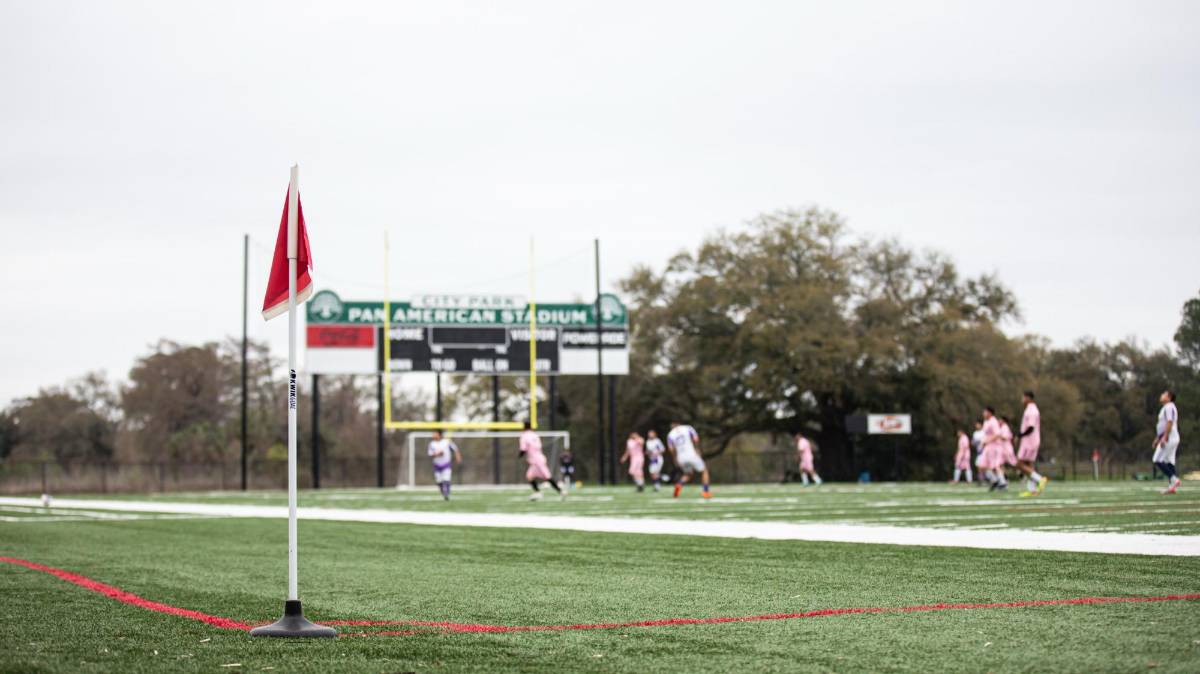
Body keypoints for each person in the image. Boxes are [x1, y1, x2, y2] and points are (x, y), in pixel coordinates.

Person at [519, 421, 564, 501]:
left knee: (547, 477)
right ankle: (538, 493)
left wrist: (520, 455)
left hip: (536, 460)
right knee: (529, 476)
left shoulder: (524, 436)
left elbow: (523, 449)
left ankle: (561, 491)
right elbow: (538, 446)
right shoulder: (534, 435)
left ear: (524, 427)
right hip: (539, 458)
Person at [1016, 391, 1049, 497]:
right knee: (1028, 465)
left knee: (1019, 464)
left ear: (1028, 398)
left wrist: (1019, 435)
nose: (1022, 400)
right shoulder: (1030, 409)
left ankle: (1040, 479)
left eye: (1023, 397)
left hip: (1029, 441)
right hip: (1032, 440)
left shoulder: (1031, 410)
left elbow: (1030, 427)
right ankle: (1032, 490)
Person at [667, 421, 711, 499]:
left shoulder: (670, 434)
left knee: (688, 474)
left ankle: (679, 484)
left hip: (681, 458)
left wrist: (675, 458)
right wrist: (697, 449)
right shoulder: (687, 428)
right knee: (704, 471)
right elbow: (696, 439)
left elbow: (671, 449)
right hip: (691, 454)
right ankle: (706, 491)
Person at [1153, 390, 1182, 495]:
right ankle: (1172, 487)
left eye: (1163, 394)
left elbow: (1169, 422)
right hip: (1171, 437)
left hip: (1169, 438)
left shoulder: (1169, 406)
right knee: (1169, 462)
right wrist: (1158, 437)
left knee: (1157, 459)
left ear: (1169, 397)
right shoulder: (1167, 407)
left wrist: (1164, 437)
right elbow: (1164, 424)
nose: (1161, 395)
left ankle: (1174, 479)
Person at [427, 430, 461, 501]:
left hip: (446, 464)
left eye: (435, 434)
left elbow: (455, 449)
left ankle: (447, 494)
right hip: (437, 465)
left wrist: (458, 457)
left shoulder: (446, 442)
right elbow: (430, 454)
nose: (433, 435)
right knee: (439, 481)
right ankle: (443, 492)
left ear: (439, 435)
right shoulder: (432, 444)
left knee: (446, 479)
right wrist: (437, 454)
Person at [980, 407, 1009, 491]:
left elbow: (997, 434)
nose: (983, 413)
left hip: (995, 447)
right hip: (988, 447)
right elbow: (986, 435)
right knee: (982, 465)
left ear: (990, 413)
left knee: (995, 466)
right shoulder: (986, 422)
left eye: (985, 412)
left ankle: (1003, 482)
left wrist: (987, 441)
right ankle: (995, 480)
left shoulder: (993, 421)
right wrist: (983, 442)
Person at [971, 420, 987, 486]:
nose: (976, 426)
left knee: (983, 467)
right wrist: (974, 443)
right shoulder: (975, 433)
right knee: (979, 466)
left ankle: (985, 480)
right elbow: (973, 442)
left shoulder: (984, 432)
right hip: (979, 452)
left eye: (978, 424)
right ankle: (982, 480)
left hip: (985, 451)